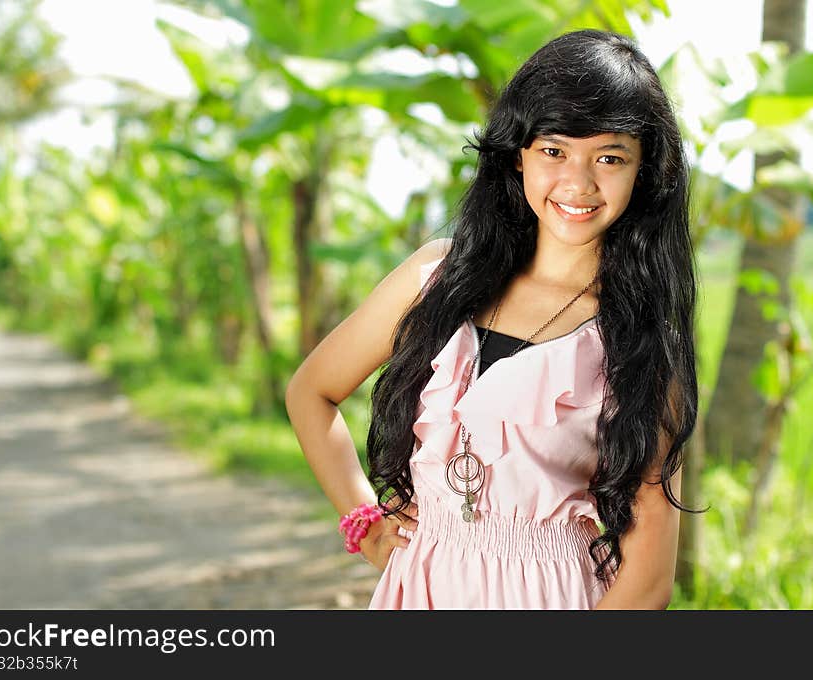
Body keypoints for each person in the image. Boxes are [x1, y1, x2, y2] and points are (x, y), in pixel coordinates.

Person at [285, 28, 699, 609]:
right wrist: (364, 517)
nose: (578, 183)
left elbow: (649, 580)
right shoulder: (436, 278)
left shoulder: (638, 341)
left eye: (609, 157)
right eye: (554, 151)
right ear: (518, 155)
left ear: (643, 171)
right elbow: (312, 391)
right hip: (417, 591)